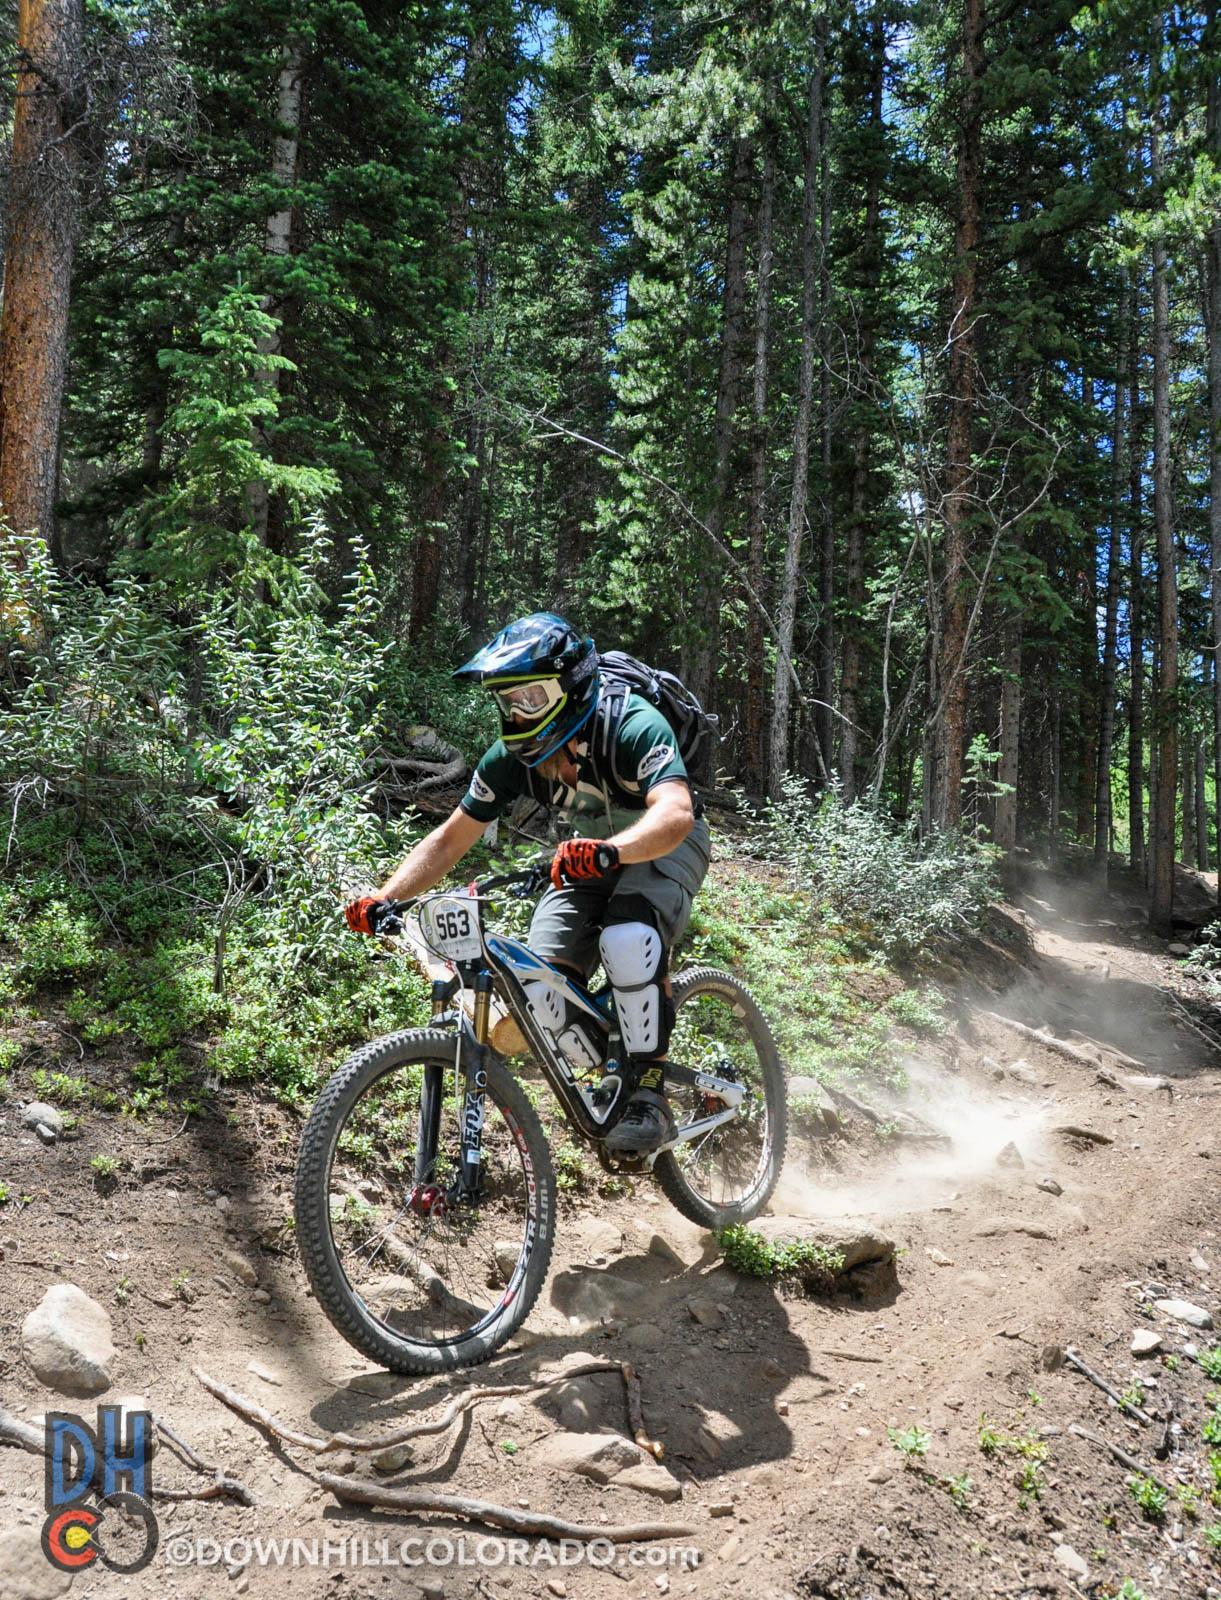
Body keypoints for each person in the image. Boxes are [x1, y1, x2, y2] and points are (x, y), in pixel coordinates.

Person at [344, 612, 711, 1156]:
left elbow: (676, 813)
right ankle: (615, 1061)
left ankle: (650, 1090)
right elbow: (450, 838)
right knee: (539, 990)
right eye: (509, 702)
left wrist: (613, 851)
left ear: (570, 687)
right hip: (585, 857)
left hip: (665, 844)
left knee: (628, 939)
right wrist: (386, 896)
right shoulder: (511, 760)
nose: (518, 714)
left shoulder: (630, 722)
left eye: (531, 699)